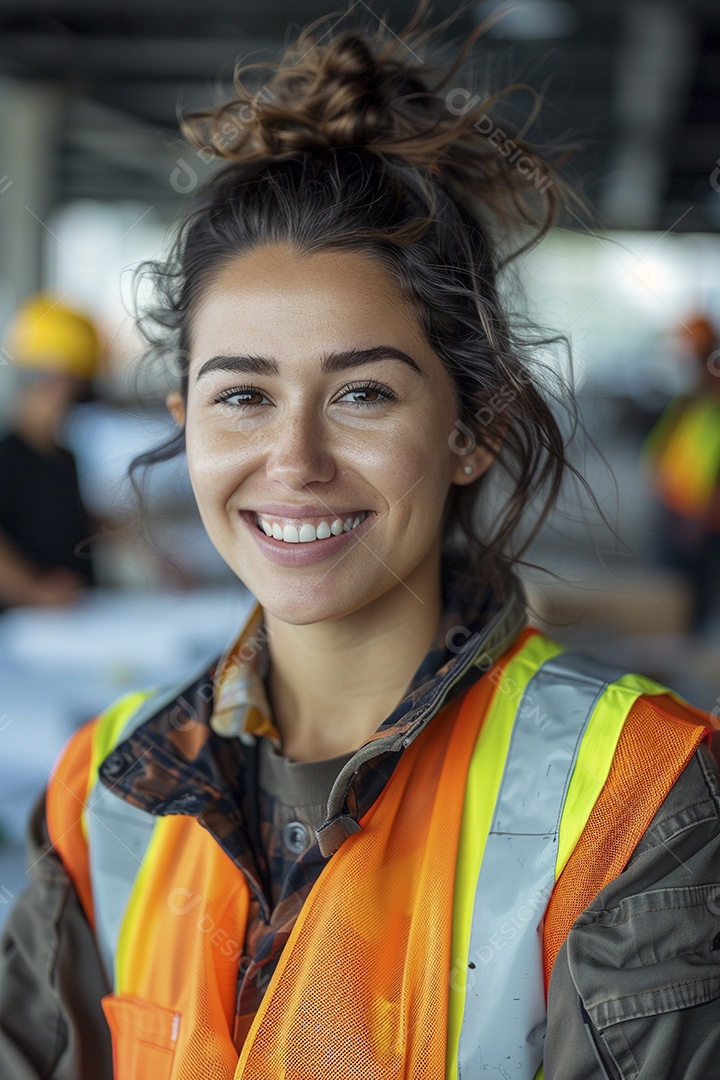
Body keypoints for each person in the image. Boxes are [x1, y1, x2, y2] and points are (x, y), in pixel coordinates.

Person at [1, 10, 719, 1080]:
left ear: (473, 428)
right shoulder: (102, 788)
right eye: (242, 394)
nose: (295, 459)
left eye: (364, 393)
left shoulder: (640, 798)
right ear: (184, 421)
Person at [0, 293, 98, 609]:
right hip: (24, 633)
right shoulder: (7, 458)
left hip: (71, 620)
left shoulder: (63, 457)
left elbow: (69, 521)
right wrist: (33, 591)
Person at [643, 314, 720, 632]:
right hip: (675, 512)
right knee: (671, 586)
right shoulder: (688, 402)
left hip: (704, 523)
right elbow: (657, 454)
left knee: (700, 592)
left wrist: (701, 516)